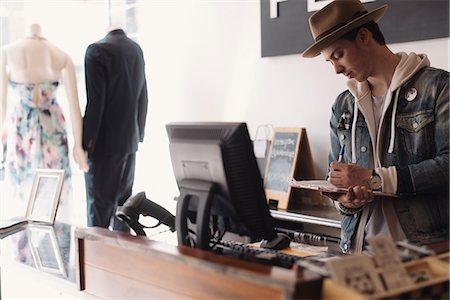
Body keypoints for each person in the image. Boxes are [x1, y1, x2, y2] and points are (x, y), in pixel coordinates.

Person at [302, 0, 449, 254]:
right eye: (329, 62)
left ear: (363, 37)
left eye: (338, 55)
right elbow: (334, 176)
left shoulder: (438, 88)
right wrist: (346, 201)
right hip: (361, 251)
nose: (336, 69)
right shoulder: (344, 105)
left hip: (424, 251)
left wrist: (376, 180)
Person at [1, 23, 88, 205]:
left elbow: (2, 104)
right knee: (55, 194)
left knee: (25, 193)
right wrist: (77, 146)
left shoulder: (7, 52)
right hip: (53, 125)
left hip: (22, 128)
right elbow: (74, 108)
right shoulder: (61, 55)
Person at [83, 27, 148, 232]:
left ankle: (96, 262)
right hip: (129, 143)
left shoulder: (96, 51)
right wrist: (139, 134)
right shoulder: (135, 49)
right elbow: (143, 97)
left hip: (103, 146)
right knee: (124, 211)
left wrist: (86, 144)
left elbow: (95, 103)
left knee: (98, 214)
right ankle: (121, 262)